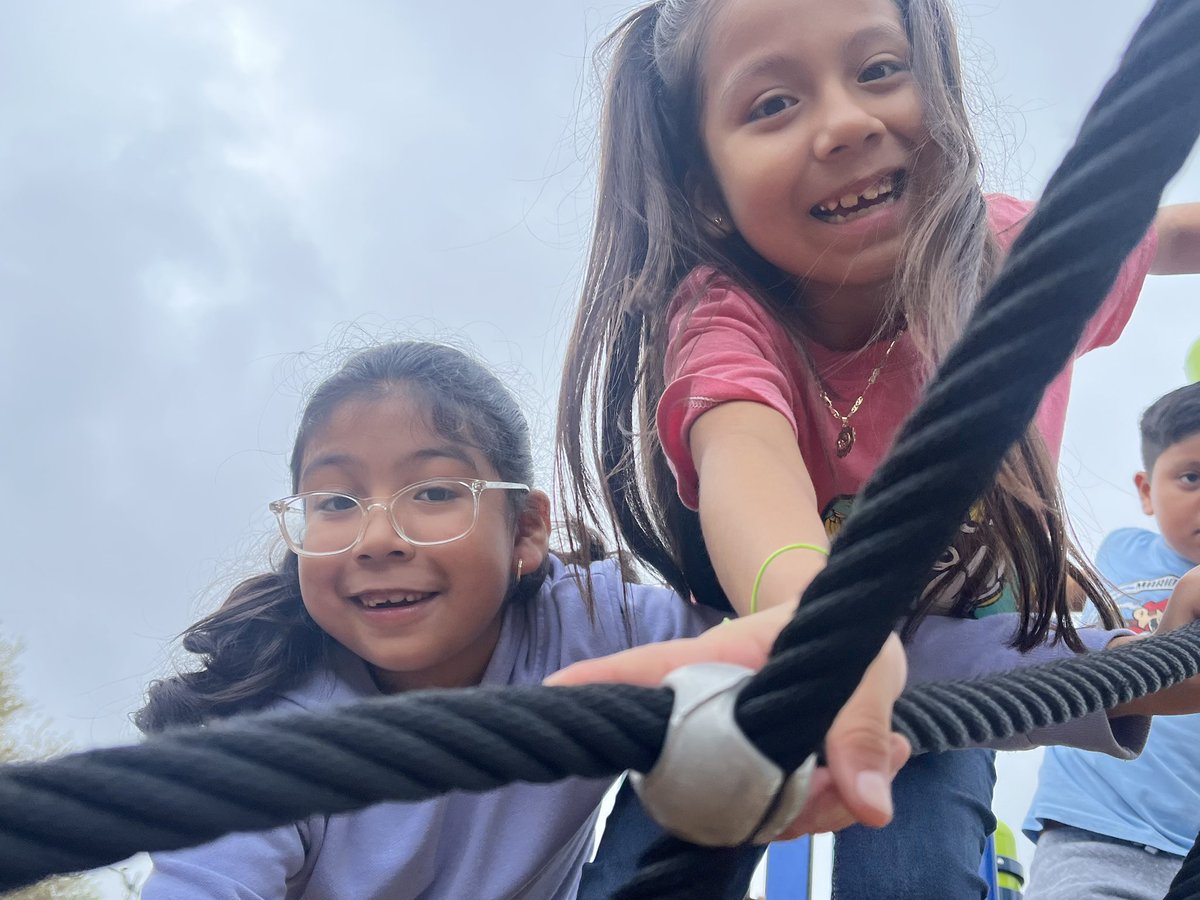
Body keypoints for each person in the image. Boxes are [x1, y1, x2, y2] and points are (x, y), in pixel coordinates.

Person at [552, 0, 1200, 896]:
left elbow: (1157, 234)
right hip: (773, 645)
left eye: (880, 70)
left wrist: (1158, 657)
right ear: (704, 186)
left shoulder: (1004, 257)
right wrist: (819, 621)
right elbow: (745, 453)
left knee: (916, 866)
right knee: (651, 861)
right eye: (773, 104)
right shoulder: (723, 311)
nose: (848, 122)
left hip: (963, 646)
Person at [136, 340, 919, 899]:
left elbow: (756, 659)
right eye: (335, 503)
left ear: (527, 530)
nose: (378, 539)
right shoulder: (274, 735)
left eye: (435, 492)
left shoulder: (586, 623)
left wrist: (811, 700)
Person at [1023, 384, 1200, 900]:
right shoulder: (1119, 553)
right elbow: (1028, 600)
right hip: (1095, 828)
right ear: (1146, 491)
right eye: (1192, 477)